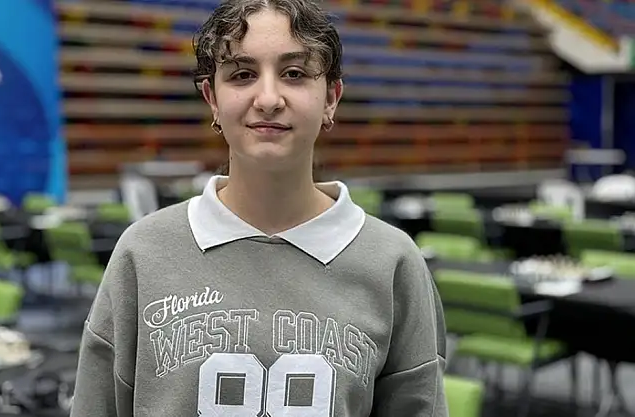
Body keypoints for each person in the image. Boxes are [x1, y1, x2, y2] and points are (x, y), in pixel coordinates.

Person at [70, 0, 448, 416]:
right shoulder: (143, 254)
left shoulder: (392, 263)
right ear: (213, 98)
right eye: (243, 74)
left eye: (294, 73)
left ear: (331, 98)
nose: (268, 99)